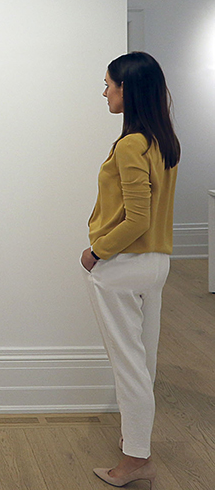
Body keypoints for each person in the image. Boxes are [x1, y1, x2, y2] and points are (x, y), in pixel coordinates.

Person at [81, 52, 180, 489]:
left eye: (108, 84)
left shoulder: (129, 144)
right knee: (145, 362)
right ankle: (137, 449)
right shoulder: (163, 141)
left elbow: (136, 218)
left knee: (129, 367)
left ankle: (135, 460)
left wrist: (96, 252)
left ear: (128, 89)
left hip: (123, 267)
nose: (104, 91)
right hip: (156, 264)